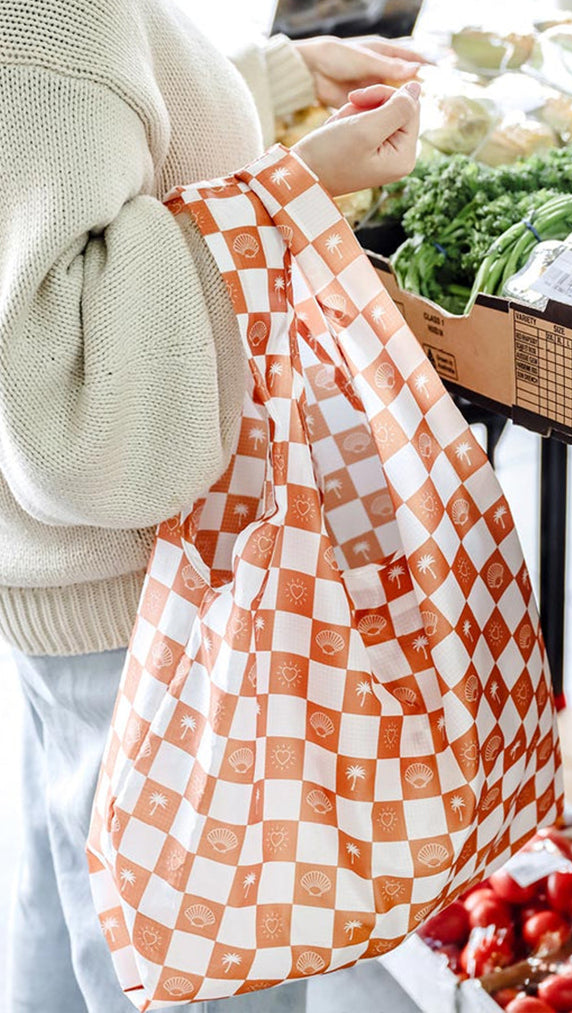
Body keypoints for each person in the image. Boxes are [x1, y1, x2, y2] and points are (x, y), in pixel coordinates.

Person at [0, 1, 422, 1010]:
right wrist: (293, 190)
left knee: (79, 931)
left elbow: (79, 145)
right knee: (203, 973)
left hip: (105, 612)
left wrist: (262, 83)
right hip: (166, 612)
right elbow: (73, 410)